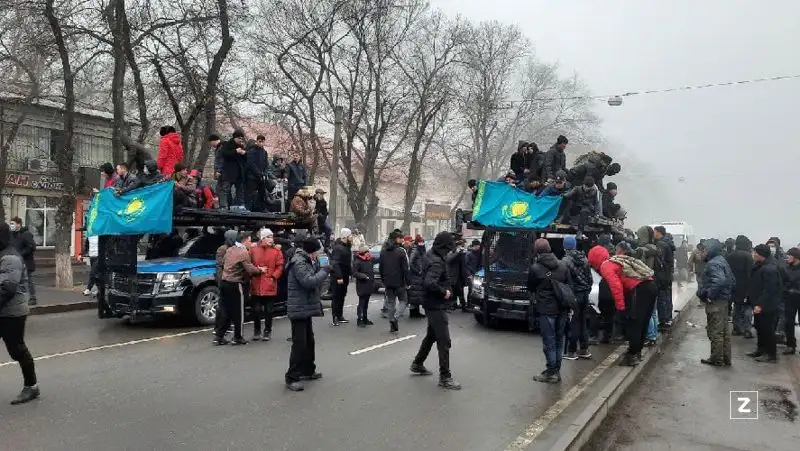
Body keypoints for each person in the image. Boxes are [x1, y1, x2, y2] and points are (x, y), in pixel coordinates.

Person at [588, 245, 658, 366]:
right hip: (650, 286)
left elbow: (616, 287)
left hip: (639, 290)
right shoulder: (616, 260)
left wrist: (620, 307)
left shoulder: (605, 266)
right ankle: (637, 352)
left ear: (595, 259)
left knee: (634, 323)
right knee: (643, 322)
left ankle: (632, 355)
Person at [410, 231, 461, 390]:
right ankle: (445, 377)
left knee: (432, 335)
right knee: (444, 340)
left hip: (430, 303)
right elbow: (429, 282)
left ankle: (418, 363)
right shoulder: (437, 261)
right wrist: (444, 291)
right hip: (436, 304)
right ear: (444, 247)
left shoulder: (430, 254)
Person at [285, 238, 332, 392]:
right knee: (299, 344)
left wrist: (323, 267)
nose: (319, 254)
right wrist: (324, 271)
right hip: (298, 308)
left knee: (309, 341)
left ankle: (307, 370)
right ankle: (292, 377)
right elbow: (308, 281)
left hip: (305, 307)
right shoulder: (299, 262)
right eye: (318, 251)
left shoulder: (307, 260)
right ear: (311, 251)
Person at [0, 222, 39, 405]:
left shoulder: (10, 258)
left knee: (17, 349)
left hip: (12, 312)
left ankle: (31, 387)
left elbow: (6, 289)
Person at [527, 238, 571, 383]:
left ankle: (551, 371)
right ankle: (556, 371)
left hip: (546, 309)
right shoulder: (563, 265)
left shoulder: (535, 268)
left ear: (537, 252)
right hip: (562, 308)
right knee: (559, 340)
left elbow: (531, 288)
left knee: (549, 342)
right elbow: (568, 285)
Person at [215, 231, 264, 346]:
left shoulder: (230, 250)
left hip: (225, 282)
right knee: (239, 312)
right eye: (250, 240)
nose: (251, 243)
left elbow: (223, 263)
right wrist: (260, 270)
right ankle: (238, 337)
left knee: (226, 311)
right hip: (235, 284)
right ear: (246, 240)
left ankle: (219, 336)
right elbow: (249, 269)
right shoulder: (243, 252)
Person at [696, 238, 735, 366]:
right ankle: (725, 358)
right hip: (723, 300)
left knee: (715, 331)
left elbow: (719, 281)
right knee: (724, 330)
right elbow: (732, 281)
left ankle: (716, 358)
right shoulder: (722, 261)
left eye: (704, 250)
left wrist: (709, 295)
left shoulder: (713, 263)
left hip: (716, 302)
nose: (702, 253)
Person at [747, 244, 782, 363]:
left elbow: (769, 289)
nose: (753, 254)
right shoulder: (759, 265)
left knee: (767, 329)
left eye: (755, 252)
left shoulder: (770, 268)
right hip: (758, 303)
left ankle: (771, 354)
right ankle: (760, 350)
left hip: (767, 305)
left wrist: (760, 304)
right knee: (759, 327)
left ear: (760, 254)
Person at [250, 228, 284, 342]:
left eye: (272, 237)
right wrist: (255, 270)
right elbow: (248, 264)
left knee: (269, 311)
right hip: (256, 283)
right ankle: (257, 331)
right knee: (256, 310)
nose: (271, 239)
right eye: (268, 237)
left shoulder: (276, 251)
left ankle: (267, 331)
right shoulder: (253, 249)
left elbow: (280, 266)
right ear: (262, 238)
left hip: (270, 284)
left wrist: (274, 276)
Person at [562, 236, 593, 360]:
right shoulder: (584, 258)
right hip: (585, 294)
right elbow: (590, 279)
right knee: (582, 322)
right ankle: (584, 349)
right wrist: (587, 289)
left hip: (574, 295)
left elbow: (564, 280)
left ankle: (571, 351)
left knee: (573, 322)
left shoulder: (565, 261)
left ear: (565, 246)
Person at [380, 230, 411, 333]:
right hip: (399, 282)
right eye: (401, 238)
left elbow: (381, 267)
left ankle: (391, 324)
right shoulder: (401, 251)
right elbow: (406, 268)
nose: (402, 240)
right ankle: (395, 318)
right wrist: (408, 282)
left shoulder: (384, 250)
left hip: (388, 281)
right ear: (397, 239)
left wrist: (383, 279)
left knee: (390, 302)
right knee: (404, 300)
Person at [726, 235, 754, 338]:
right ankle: (747, 329)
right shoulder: (748, 256)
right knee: (747, 308)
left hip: (733, 287)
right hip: (746, 286)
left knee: (736, 307)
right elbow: (750, 273)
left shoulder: (730, 256)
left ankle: (736, 328)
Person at [9, 217, 36, 307]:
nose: (11, 225)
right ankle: (19, 298)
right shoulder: (12, 235)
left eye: (13, 223)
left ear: (18, 224)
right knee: (17, 280)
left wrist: (21, 254)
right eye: (10, 224)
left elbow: (31, 247)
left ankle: (32, 298)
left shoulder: (26, 234)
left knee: (28, 280)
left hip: (26, 262)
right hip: (15, 262)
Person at [653, 226, 675, 330]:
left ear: (659, 233)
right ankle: (668, 318)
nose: (654, 234)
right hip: (667, 275)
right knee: (667, 297)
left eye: (655, 232)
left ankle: (663, 321)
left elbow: (659, 262)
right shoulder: (668, 243)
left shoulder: (661, 244)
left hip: (662, 276)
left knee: (662, 299)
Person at [330, 228, 354, 326]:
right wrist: (339, 277)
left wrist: (351, 273)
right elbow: (336, 263)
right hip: (338, 277)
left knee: (342, 296)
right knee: (336, 297)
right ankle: (335, 317)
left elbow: (347, 264)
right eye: (350, 236)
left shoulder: (346, 247)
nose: (352, 237)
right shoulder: (338, 248)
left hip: (344, 276)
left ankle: (340, 316)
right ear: (345, 237)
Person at [219, 129, 247, 210]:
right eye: (239, 138)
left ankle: (241, 205)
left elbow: (246, 159)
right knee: (225, 189)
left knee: (240, 190)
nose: (241, 140)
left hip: (239, 172)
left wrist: (244, 153)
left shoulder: (241, 146)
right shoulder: (227, 144)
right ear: (235, 138)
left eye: (242, 138)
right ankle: (223, 206)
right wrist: (235, 151)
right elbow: (225, 154)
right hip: (229, 172)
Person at [767, 237, 788, 344]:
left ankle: (780, 333)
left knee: (781, 313)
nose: (771, 248)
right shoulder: (765, 258)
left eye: (773, 246)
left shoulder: (782, 258)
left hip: (781, 290)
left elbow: (785, 274)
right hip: (769, 291)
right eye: (769, 246)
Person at [780, 247, 800, 355]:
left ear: (796, 257)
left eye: (789, 256)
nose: (787, 257)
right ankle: (790, 345)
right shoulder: (786, 268)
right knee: (789, 322)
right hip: (789, 298)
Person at [353, 245, 375, 327]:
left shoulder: (368, 260)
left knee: (366, 303)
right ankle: (360, 319)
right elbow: (355, 273)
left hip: (369, 284)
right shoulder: (358, 261)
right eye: (367, 252)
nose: (369, 253)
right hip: (362, 285)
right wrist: (364, 276)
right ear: (364, 253)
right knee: (361, 303)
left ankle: (365, 318)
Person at [245, 135, 268, 212]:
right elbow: (251, 164)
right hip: (252, 176)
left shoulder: (264, 152)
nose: (261, 143)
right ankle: (247, 209)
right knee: (250, 194)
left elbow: (266, 164)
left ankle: (260, 209)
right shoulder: (252, 150)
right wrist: (258, 173)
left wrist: (264, 173)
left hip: (261, 177)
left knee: (262, 193)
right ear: (257, 141)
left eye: (262, 141)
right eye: (259, 141)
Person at [446, 239, 469, 312]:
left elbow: (464, 264)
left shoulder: (462, 253)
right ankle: (456, 305)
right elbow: (449, 260)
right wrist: (457, 253)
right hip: (453, 276)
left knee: (459, 291)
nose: (462, 247)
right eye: (460, 246)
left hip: (460, 276)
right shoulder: (451, 253)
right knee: (456, 291)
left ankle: (461, 306)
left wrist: (466, 274)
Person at [408, 235, 427, 319]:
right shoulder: (415, 250)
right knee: (414, 294)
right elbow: (410, 262)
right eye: (421, 241)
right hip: (416, 275)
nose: (422, 243)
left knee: (417, 295)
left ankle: (416, 312)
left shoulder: (421, 249)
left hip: (419, 275)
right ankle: (413, 313)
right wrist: (417, 271)